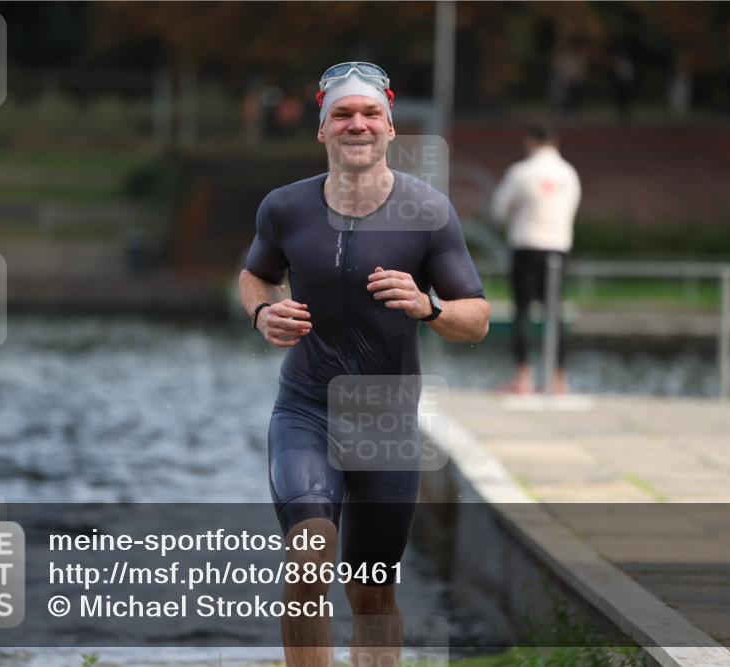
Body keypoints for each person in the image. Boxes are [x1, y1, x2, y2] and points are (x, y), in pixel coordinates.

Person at [239, 62, 490, 667]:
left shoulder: (428, 212)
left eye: (370, 113)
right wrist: (261, 315)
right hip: (306, 409)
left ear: (390, 127)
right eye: (342, 115)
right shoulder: (285, 208)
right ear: (321, 130)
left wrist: (428, 307)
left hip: (386, 422)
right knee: (309, 550)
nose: (358, 124)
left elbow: (476, 319)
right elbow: (255, 276)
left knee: (372, 592)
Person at [491, 123, 581, 395]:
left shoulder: (521, 172)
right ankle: (559, 378)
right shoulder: (569, 174)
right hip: (558, 247)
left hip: (527, 246)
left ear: (530, 142)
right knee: (554, 313)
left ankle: (523, 378)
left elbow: (498, 210)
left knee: (522, 312)